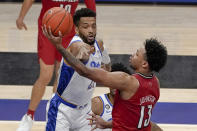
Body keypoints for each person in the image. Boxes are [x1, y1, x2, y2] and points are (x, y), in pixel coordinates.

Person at [43, 23, 168, 131]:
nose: (132, 54)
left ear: (144, 64)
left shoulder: (127, 81)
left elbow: (85, 71)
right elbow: (135, 119)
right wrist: (107, 124)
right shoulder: (155, 83)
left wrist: (59, 46)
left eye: (136, 54)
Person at [16, 0, 96, 131]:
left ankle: (56, 116)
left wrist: (90, 28)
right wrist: (21, 17)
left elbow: (91, 4)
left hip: (67, 31)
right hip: (48, 30)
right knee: (46, 75)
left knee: (61, 76)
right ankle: (29, 116)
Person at [43, 8, 111, 131]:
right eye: (85, 27)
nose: (91, 30)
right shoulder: (76, 45)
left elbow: (107, 65)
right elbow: (82, 53)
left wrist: (104, 70)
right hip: (62, 110)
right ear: (76, 29)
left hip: (85, 111)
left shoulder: (99, 44)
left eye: (93, 26)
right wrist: (59, 47)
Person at [91, 63, 163, 131]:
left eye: (119, 84)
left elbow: (148, 125)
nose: (116, 87)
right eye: (114, 83)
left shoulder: (132, 106)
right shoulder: (97, 103)